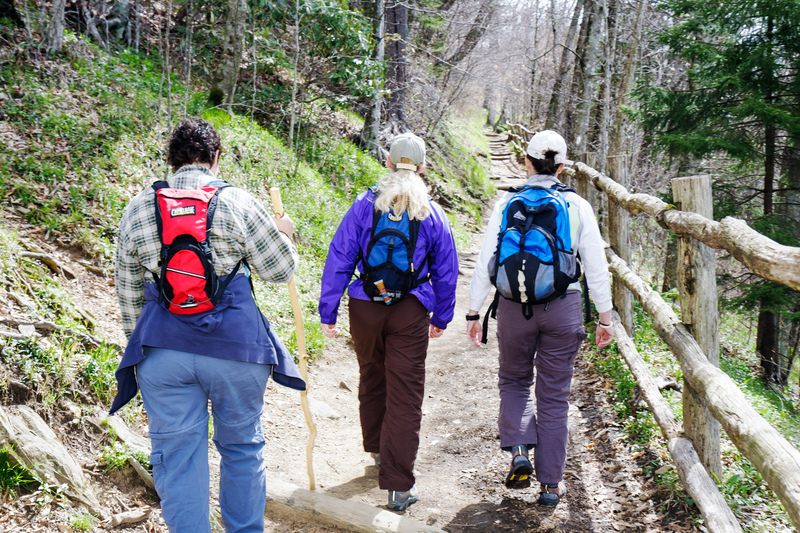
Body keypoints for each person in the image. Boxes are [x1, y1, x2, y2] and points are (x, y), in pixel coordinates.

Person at [110, 117, 305, 532]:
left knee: (178, 457)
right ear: (216, 158)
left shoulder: (139, 207)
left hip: (164, 352)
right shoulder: (238, 202)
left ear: (171, 161)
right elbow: (281, 267)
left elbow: (128, 298)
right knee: (241, 448)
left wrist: (145, 355)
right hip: (237, 351)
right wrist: (283, 234)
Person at [466, 130, 615, 506]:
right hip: (563, 307)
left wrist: (473, 310)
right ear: (562, 167)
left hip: (514, 307)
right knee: (554, 397)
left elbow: (488, 261)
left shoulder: (507, 204)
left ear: (526, 162)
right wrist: (605, 317)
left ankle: (519, 450)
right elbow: (596, 268)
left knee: (514, 380)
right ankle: (550, 485)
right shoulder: (577, 206)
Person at [318, 132, 458, 512]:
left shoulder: (365, 204)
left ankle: (379, 452)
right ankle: (398, 486)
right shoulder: (431, 211)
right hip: (410, 309)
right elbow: (446, 268)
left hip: (365, 306)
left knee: (372, 373)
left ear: (388, 162)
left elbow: (340, 255)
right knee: (406, 394)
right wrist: (442, 314)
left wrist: (327, 310)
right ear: (424, 168)